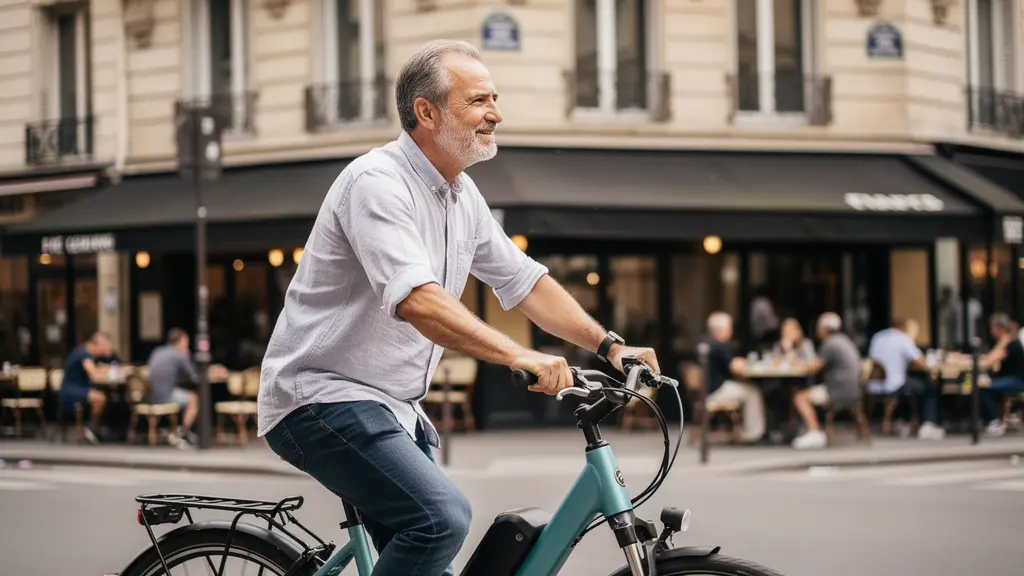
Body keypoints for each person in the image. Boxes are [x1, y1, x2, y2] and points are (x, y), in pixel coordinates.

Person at [256, 39, 662, 576]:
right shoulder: (377, 184)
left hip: (392, 409)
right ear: (427, 112)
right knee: (440, 521)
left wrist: (610, 345)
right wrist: (522, 357)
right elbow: (419, 301)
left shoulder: (461, 195)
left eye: (495, 97)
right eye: (478, 100)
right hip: (319, 398)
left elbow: (524, 281)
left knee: (430, 559)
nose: (496, 112)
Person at [791, 312, 863, 450]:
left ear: (824, 329)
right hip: (855, 390)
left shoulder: (830, 344)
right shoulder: (844, 340)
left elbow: (814, 367)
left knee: (800, 397)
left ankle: (814, 432)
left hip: (838, 390)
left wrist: (794, 359)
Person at [866, 318, 945, 440]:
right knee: (929, 387)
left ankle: (901, 420)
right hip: (894, 385)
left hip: (874, 384)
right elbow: (921, 362)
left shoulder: (878, 337)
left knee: (909, 384)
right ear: (904, 329)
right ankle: (928, 424)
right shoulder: (903, 339)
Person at [703, 311, 766, 443]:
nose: (731, 332)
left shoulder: (710, 345)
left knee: (748, 388)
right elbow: (735, 367)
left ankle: (750, 431)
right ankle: (752, 434)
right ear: (720, 330)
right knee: (752, 391)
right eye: (729, 328)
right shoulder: (721, 345)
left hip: (709, 389)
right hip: (716, 390)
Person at [146, 328, 202, 447]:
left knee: (184, 393)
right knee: (193, 398)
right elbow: (193, 375)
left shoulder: (157, 351)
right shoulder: (179, 354)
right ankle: (184, 431)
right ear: (181, 342)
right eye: (186, 341)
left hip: (152, 396)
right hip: (166, 395)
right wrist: (187, 357)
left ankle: (175, 430)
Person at [57, 332, 112, 444]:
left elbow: (95, 369)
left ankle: (90, 428)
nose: (106, 350)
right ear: (95, 345)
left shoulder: (82, 352)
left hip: (73, 389)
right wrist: (109, 372)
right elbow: (93, 374)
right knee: (99, 398)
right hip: (71, 392)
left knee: (100, 395)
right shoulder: (84, 354)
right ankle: (90, 428)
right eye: (104, 347)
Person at [978, 313, 1024, 436]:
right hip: (1008, 378)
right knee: (983, 384)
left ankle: (994, 421)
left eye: (992, 328)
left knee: (982, 388)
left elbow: (989, 360)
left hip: (1016, 381)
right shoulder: (1005, 341)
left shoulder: (1008, 342)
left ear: (998, 328)